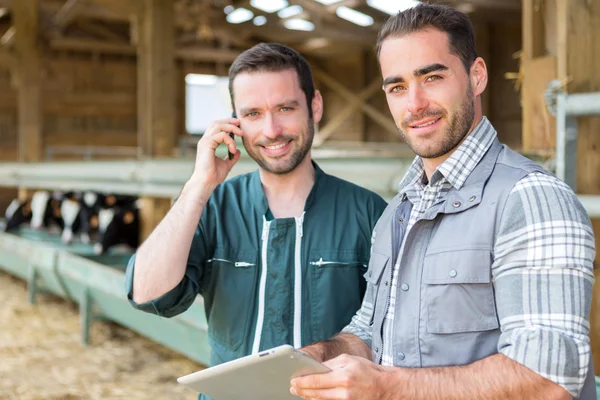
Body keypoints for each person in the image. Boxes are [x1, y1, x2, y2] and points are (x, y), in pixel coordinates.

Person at [291, 4, 596, 400]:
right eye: (397, 87)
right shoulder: (399, 210)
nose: (414, 104)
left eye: (432, 77)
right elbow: (371, 328)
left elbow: (549, 378)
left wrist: (387, 387)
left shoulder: (531, 198)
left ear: (477, 75)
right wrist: (316, 357)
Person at [124, 43, 387, 398]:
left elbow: (388, 330)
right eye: (252, 114)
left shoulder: (368, 212)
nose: (272, 129)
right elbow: (147, 295)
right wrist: (198, 186)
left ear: (315, 106)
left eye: (285, 108)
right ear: (235, 122)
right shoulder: (212, 206)